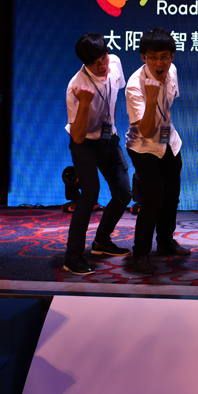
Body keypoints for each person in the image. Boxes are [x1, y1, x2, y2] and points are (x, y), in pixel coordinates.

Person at [63, 32, 132, 275]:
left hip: (108, 138)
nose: (103, 65)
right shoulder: (76, 87)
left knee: (124, 192)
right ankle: (72, 256)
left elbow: (113, 95)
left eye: (104, 58)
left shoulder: (115, 62)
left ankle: (102, 241)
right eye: (96, 63)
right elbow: (77, 136)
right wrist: (84, 103)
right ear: (85, 63)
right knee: (90, 194)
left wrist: (111, 127)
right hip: (84, 143)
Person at [124, 27, 191, 275]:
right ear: (144, 57)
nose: (159, 63)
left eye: (164, 56)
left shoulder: (172, 71)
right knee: (154, 198)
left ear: (172, 56)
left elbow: (168, 107)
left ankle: (165, 241)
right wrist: (151, 97)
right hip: (144, 146)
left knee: (172, 195)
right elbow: (146, 130)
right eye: (152, 57)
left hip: (169, 141)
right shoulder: (134, 86)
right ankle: (140, 252)